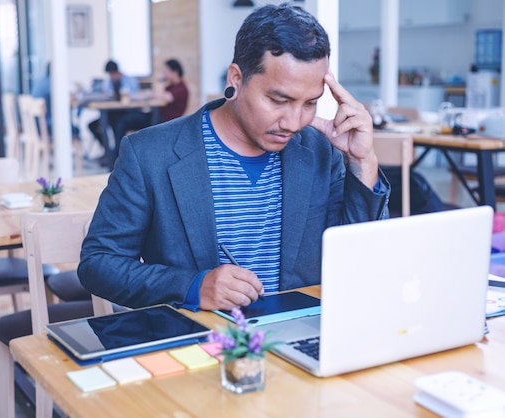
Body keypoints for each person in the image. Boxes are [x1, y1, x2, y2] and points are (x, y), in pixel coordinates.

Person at [78, 3, 390, 312]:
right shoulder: (149, 154)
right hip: (200, 346)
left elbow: (361, 259)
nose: (294, 122)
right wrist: (192, 286)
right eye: (279, 100)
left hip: (300, 335)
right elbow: (99, 264)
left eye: (310, 103)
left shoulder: (321, 151)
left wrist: (363, 161)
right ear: (236, 79)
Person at [112, 58, 189, 141]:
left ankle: (117, 153)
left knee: (123, 121)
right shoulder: (171, 86)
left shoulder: (181, 88)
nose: (164, 74)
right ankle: (117, 152)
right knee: (122, 119)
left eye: (165, 71)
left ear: (175, 72)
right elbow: (156, 95)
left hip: (164, 122)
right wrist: (141, 96)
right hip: (156, 117)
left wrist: (161, 81)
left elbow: (161, 96)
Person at [88, 60, 139, 156]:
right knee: (93, 125)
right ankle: (109, 154)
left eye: (112, 74)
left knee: (119, 124)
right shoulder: (110, 82)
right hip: (113, 112)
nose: (111, 76)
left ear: (117, 72)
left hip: (128, 112)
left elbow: (133, 94)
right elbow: (107, 93)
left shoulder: (129, 80)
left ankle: (117, 156)